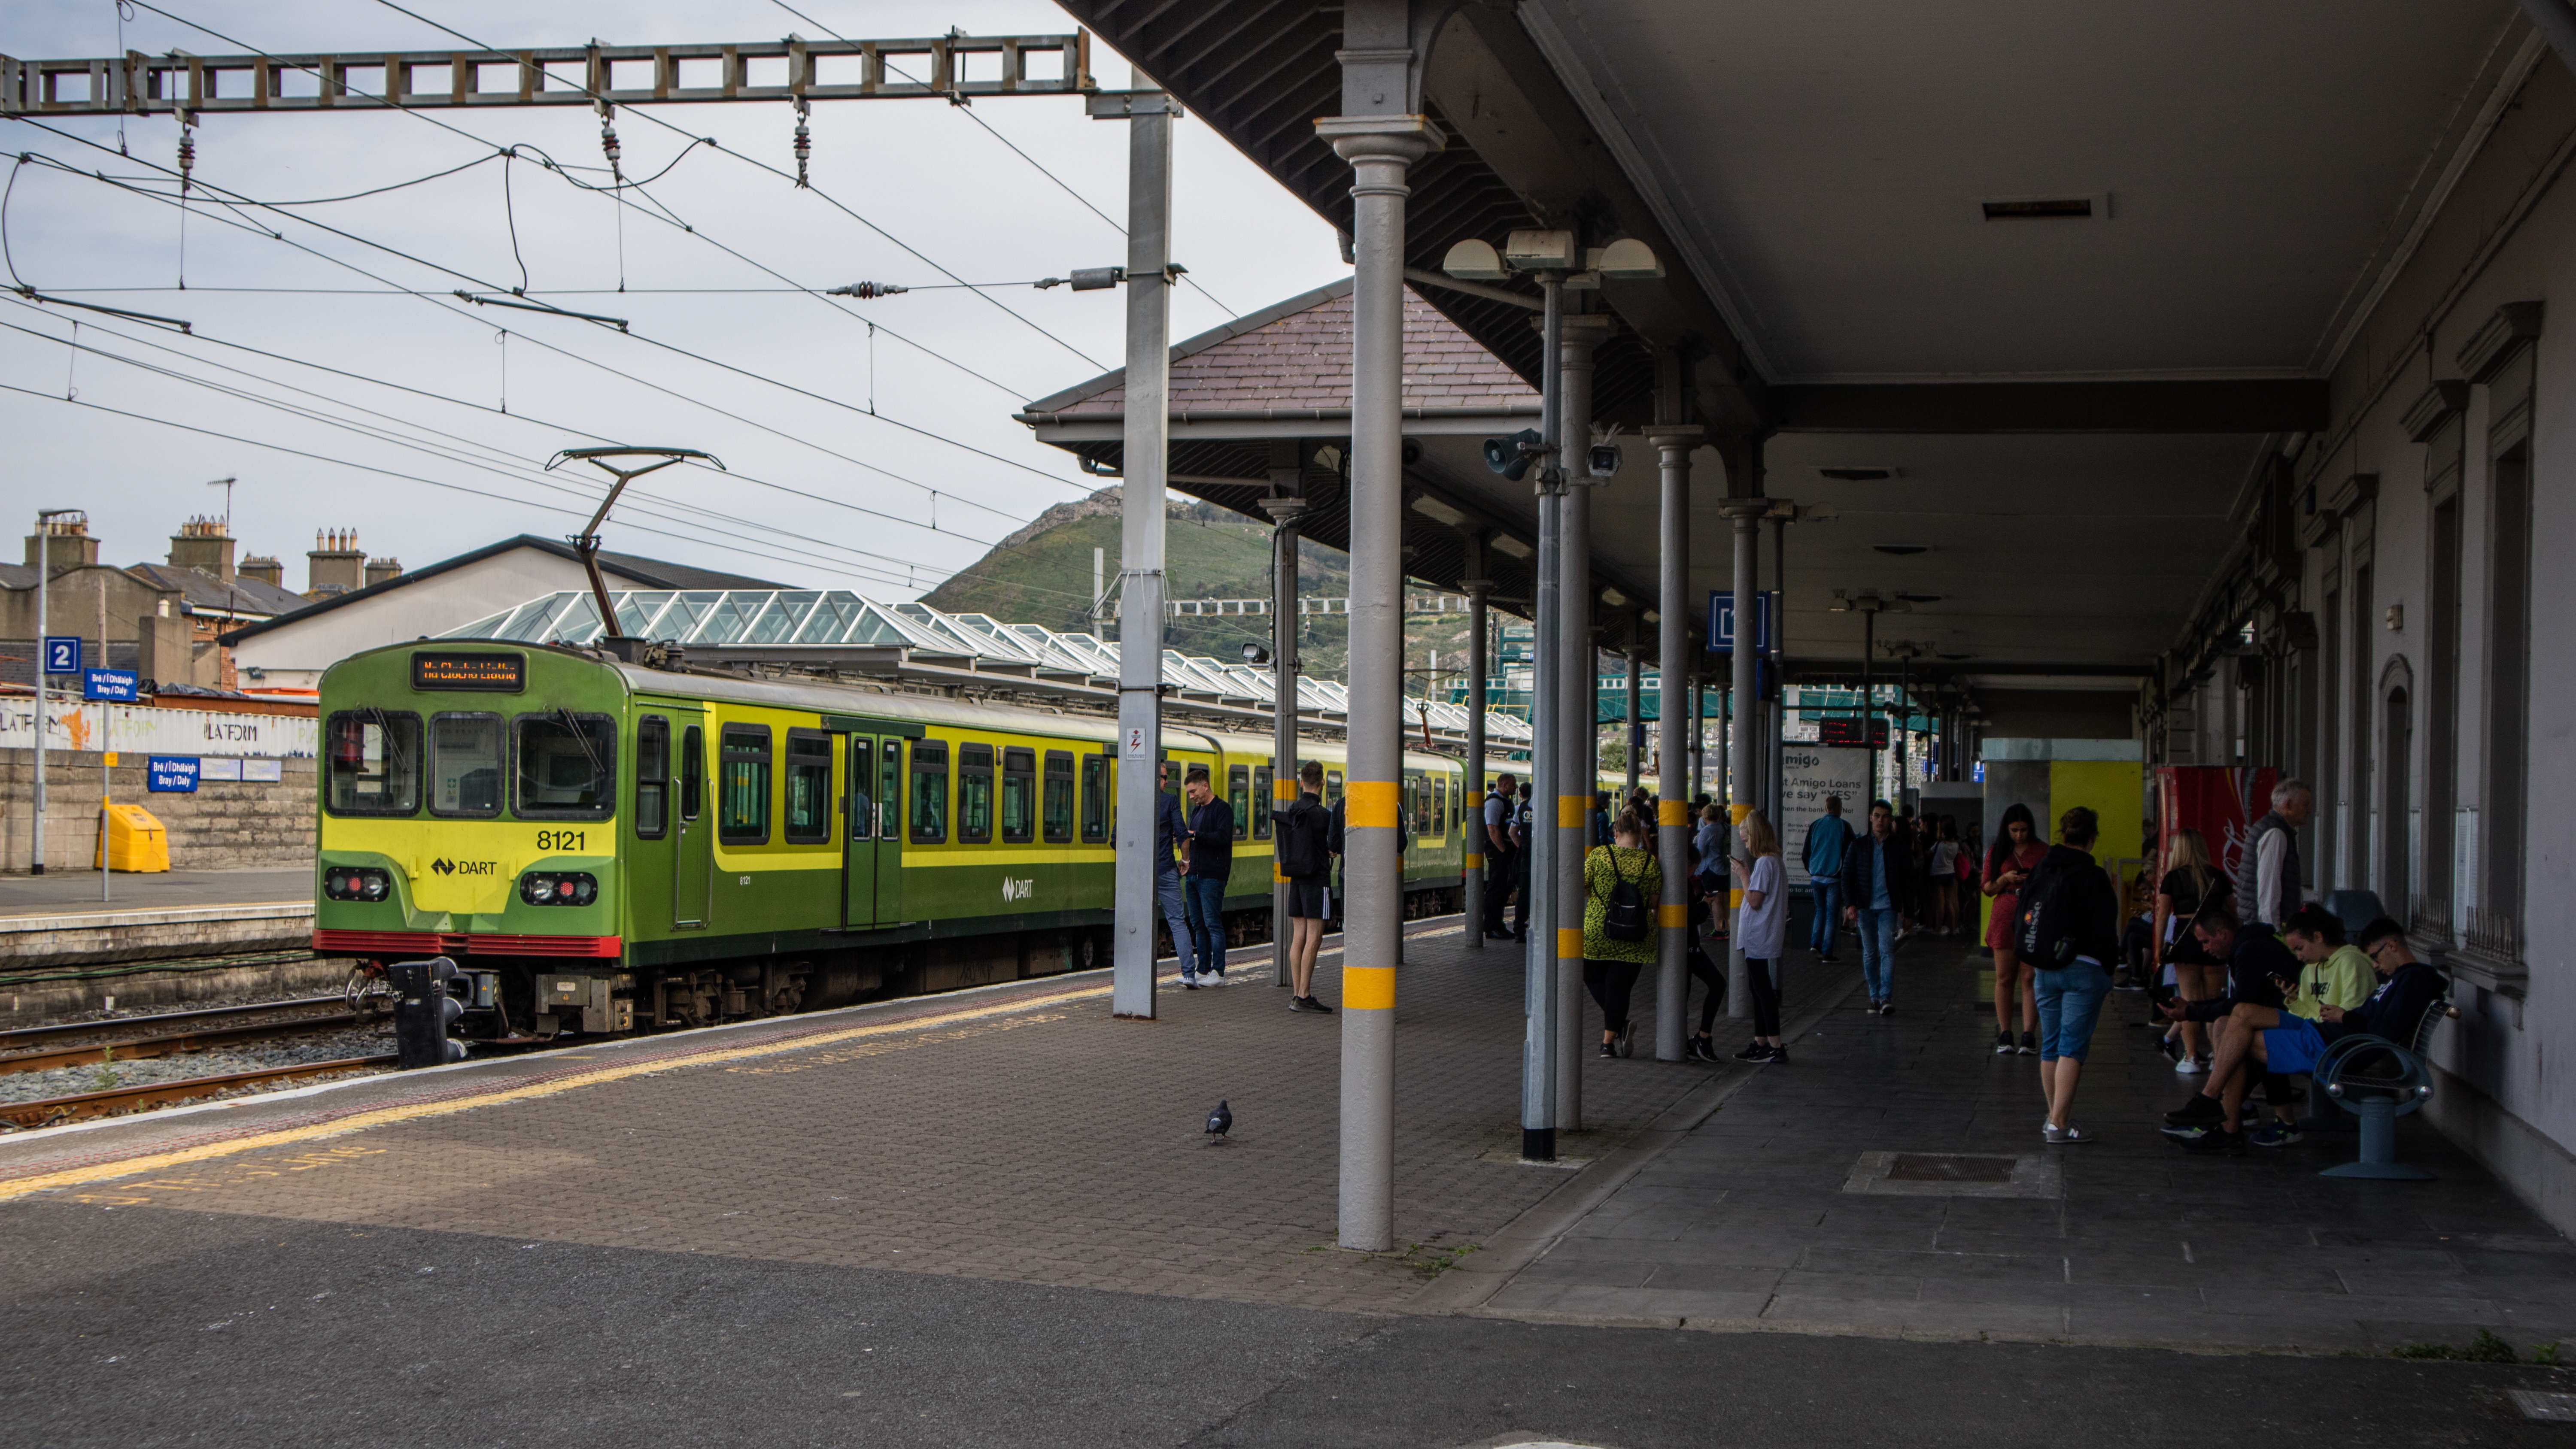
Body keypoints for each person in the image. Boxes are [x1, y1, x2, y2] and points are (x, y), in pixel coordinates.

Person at [2161, 912, 2443, 1151]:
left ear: (2392, 945)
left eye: (2375, 957)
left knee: (2240, 1039)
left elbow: (2384, 1029)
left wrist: (2344, 1016)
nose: (2376, 965)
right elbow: (2375, 1020)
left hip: (2339, 1049)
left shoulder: (2414, 979)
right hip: (2327, 1034)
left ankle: (2224, 1121)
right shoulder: (2402, 980)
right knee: (2242, 1014)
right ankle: (2212, 1105)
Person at [2023, 806, 2121, 1144]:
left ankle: (2055, 1118)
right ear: (2092, 838)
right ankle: (2059, 1124)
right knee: (2072, 1047)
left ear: (2063, 836)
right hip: (2085, 969)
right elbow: (2107, 927)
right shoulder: (2094, 877)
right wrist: (2109, 967)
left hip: (2046, 969)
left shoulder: (2042, 869)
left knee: (2050, 1045)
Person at [1582, 808, 1664, 1058]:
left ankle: (1619, 1027)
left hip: (1599, 932)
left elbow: (1583, 887)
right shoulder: (1650, 862)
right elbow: (1653, 902)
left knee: (1593, 978)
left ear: (1615, 833)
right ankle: (1608, 1044)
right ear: (1640, 835)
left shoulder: (1599, 856)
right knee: (1619, 987)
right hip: (1637, 934)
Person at [2152, 827, 2231, 1074]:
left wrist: (2158, 947)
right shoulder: (2219, 877)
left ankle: (2192, 1056)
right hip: (2214, 937)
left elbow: (2163, 914)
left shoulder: (2173, 878)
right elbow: (2234, 912)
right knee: (2212, 1002)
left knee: (2187, 1001)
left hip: (2185, 940)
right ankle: (2219, 1056)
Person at [1838, 799, 1915, 1016]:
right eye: (1877, 816)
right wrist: (1850, 904)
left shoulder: (1899, 849)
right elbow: (1847, 877)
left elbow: (1909, 883)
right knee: (1871, 954)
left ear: (1891, 820)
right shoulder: (1859, 846)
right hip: (1864, 908)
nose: (1881, 820)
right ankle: (1875, 996)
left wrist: (1909, 913)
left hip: (1888, 907)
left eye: (1885, 817)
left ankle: (1885, 997)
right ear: (1871, 817)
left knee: (1887, 950)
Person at [1981, 802, 2047, 1055]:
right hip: (2005, 913)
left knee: (2030, 977)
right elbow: (1987, 888)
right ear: (2006, 829)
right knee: (2004, 977)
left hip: (2034, 915)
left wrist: (2033, 881)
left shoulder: (2043, 851)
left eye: (2023, 830)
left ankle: (2029, 1034)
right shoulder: (1998, 851)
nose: (2019, 835)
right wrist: (2005, 879)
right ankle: (2006, 1032)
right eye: (2014, 830)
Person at [1728, 808, 1789, 1061]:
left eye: (1747, 840)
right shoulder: (1774, 860)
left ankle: (1775, 1046)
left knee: (1762, 989)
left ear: (1756, 835)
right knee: (1758, 988)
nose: (1747, 844)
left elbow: (1754, 901)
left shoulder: (1765, 863)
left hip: (1758, 934)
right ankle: (1760, 1041)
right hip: (1763, 933)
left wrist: (1744, 875)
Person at [1273, 762, 1335, 1013]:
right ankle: (1304, 995)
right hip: (1317, 881)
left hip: (1296, 881)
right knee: (1315, 937)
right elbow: (1332, 846)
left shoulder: (1293, 811)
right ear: (1322, 782)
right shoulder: (1323, 816)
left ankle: (1297, 995)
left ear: (1301, 782)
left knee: (1299, 937)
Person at [2234, 778, 2315, 931]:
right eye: (2305, 805)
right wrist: (2273, 933)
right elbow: (2269, 892)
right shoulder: (2276, 834)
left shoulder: (2271, 828)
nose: (2310, 810)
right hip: (2267, 929)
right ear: (2289, 805)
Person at [1180, 767, 1233, 987]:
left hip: (1212, 875)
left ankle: (1218, 972)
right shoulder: (1197, 811)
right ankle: (1202, 969)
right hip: (1194, 875)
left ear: (1205, 786)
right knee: (1198, 924)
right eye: (1189, 794)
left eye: (1193, 792)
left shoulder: (1223, 810)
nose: (1192, 797)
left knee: (1213, 923)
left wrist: (1196, 836)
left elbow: (1222, 838)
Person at [1682, 837, 1728, 1062]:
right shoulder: (1681, 884)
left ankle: (1687, 1041)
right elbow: (1691, 917)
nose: (1695, 871)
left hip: (1687, 947)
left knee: (1684, 995)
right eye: (1693, 866)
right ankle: (1702, 1038)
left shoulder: (1679, 882)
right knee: (1718, 984)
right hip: (1689, 947)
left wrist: (1701, 900)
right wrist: (1705, 905)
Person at [1803, 794, 1853, 962]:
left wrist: (1812, 870)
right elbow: (1850, 853)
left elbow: (1806, 854)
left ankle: (1814, 943)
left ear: (1826, 808)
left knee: (1820, 911)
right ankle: (1827, 953)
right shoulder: (1844, 826)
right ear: (1840, 808)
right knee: (1833, 914)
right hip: (1834, 878)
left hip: (1816, 877)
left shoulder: (1815, 825)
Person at [1481, 772, 1519, 940]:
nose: (1516, 788)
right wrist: (1503, 851)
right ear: (1504, 786)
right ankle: (1492, 927)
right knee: (1496, 888)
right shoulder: (1495, 803)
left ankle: (1498, 925)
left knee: (1504, 889)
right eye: (1513, 785)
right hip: (1498, 851)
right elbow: (1492, 829)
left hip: (1504, 850)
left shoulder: (1506, 801)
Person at [1927, 817, 1962, 935]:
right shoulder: (1956, 846)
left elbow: (1929, 853)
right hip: (1951, 874)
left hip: (1938, 874)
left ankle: (1937, 929)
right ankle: (1953, 928)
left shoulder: (1939, 845)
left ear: (1943, 833)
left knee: (1940, 903)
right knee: (1950, 902)